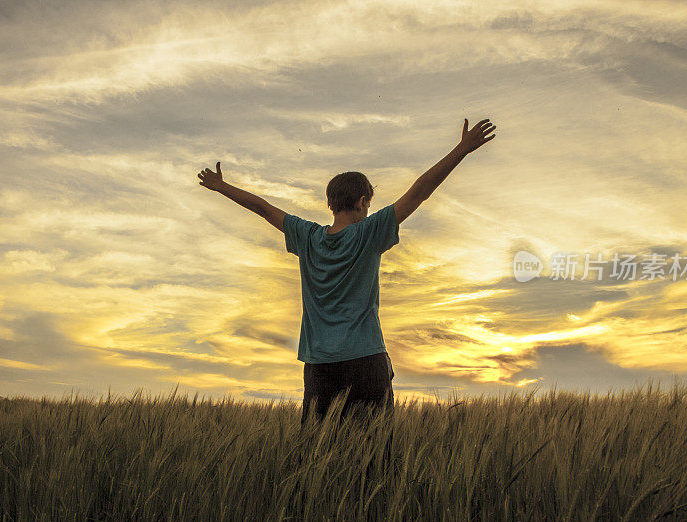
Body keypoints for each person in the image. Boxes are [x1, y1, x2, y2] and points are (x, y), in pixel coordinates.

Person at [197, 116, 496, 426]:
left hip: (319, 366)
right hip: (366, 360)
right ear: (362, 202)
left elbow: (263, 208)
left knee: (319, 457)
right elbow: (418, 193)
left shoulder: (307, 237)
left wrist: (221, 187)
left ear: (330, 203)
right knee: (373, 459)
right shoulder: (368, 232)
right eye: (367, 205)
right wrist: (461, 149)